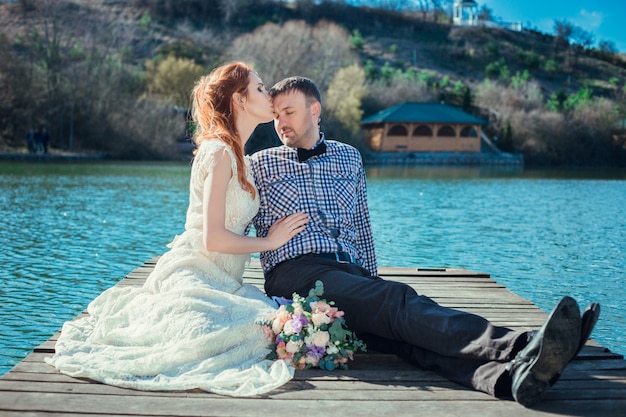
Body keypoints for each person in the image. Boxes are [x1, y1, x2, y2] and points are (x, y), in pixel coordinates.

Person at [248, 76, 601, 407]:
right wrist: (266, 244)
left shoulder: (350, 158)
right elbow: (227, 226)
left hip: (349, 274)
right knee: (397, 300)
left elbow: (362, 228)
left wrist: (369, 281)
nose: (280, 123)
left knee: (406, 337)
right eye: (276, 116)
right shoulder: (259, 165)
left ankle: (508, 379)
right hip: (297, 274)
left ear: (315, 110)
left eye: (289, 112)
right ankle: (523, 345)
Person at [46, 62, 309, 396]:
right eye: (259, 88)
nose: (268, 93)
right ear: (240, 100)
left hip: (228, 280)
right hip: (195, 270)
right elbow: (212, 237)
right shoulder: (219, 152)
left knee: (265, 326)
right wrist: (269, 242)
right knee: (229, 332)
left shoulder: (242, 155)